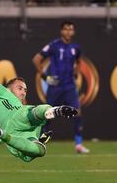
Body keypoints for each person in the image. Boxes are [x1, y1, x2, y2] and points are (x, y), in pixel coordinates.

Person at [0, 34, 78, 162]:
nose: (23, 92)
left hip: (14, 139)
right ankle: (57, 110)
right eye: (20, 88)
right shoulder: (3, 92)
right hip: (15, 121)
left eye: (25, 90)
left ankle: (2, 134)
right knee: (31, 112)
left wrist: (40, 140)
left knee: (38, 152)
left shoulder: (23, 108)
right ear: (9, 88)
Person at [32, 21, 89, 154]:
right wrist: (45, 77)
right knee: (48, 114)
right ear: (61, 31)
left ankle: (78, 145)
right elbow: (36, 59)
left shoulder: (76, 47)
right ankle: (40, 143)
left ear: (73, 32)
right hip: (55, 86)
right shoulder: (54, 45)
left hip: (69, 86)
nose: (68, 32)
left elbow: (79, 61)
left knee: (77, 112)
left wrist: (76, 73)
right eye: (66, 29)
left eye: (71, 29)